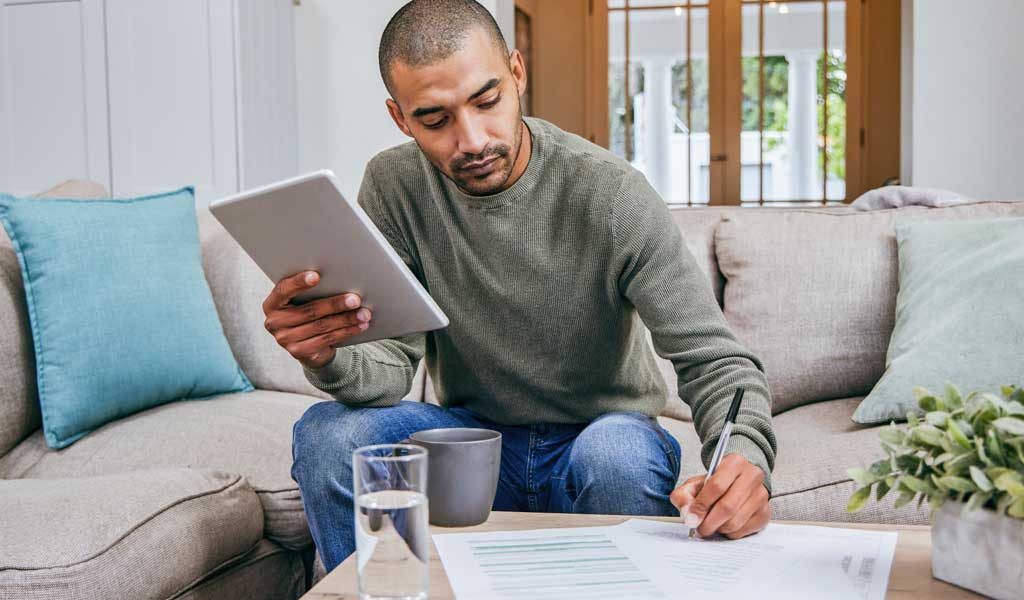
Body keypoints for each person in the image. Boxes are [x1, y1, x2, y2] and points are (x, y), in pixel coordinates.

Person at [265, 0, 777, 571]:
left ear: (517, 74)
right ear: (400, 118)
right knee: (329, 436)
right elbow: (388, 371)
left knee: (616, 457)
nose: (473, 140)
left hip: (600, 438)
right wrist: (330, 353)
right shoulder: (394, 187)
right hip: (469, 449)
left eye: (488, 101)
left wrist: (745, 458)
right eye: (435, 120)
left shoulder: (612, 195)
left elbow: (715, 361)